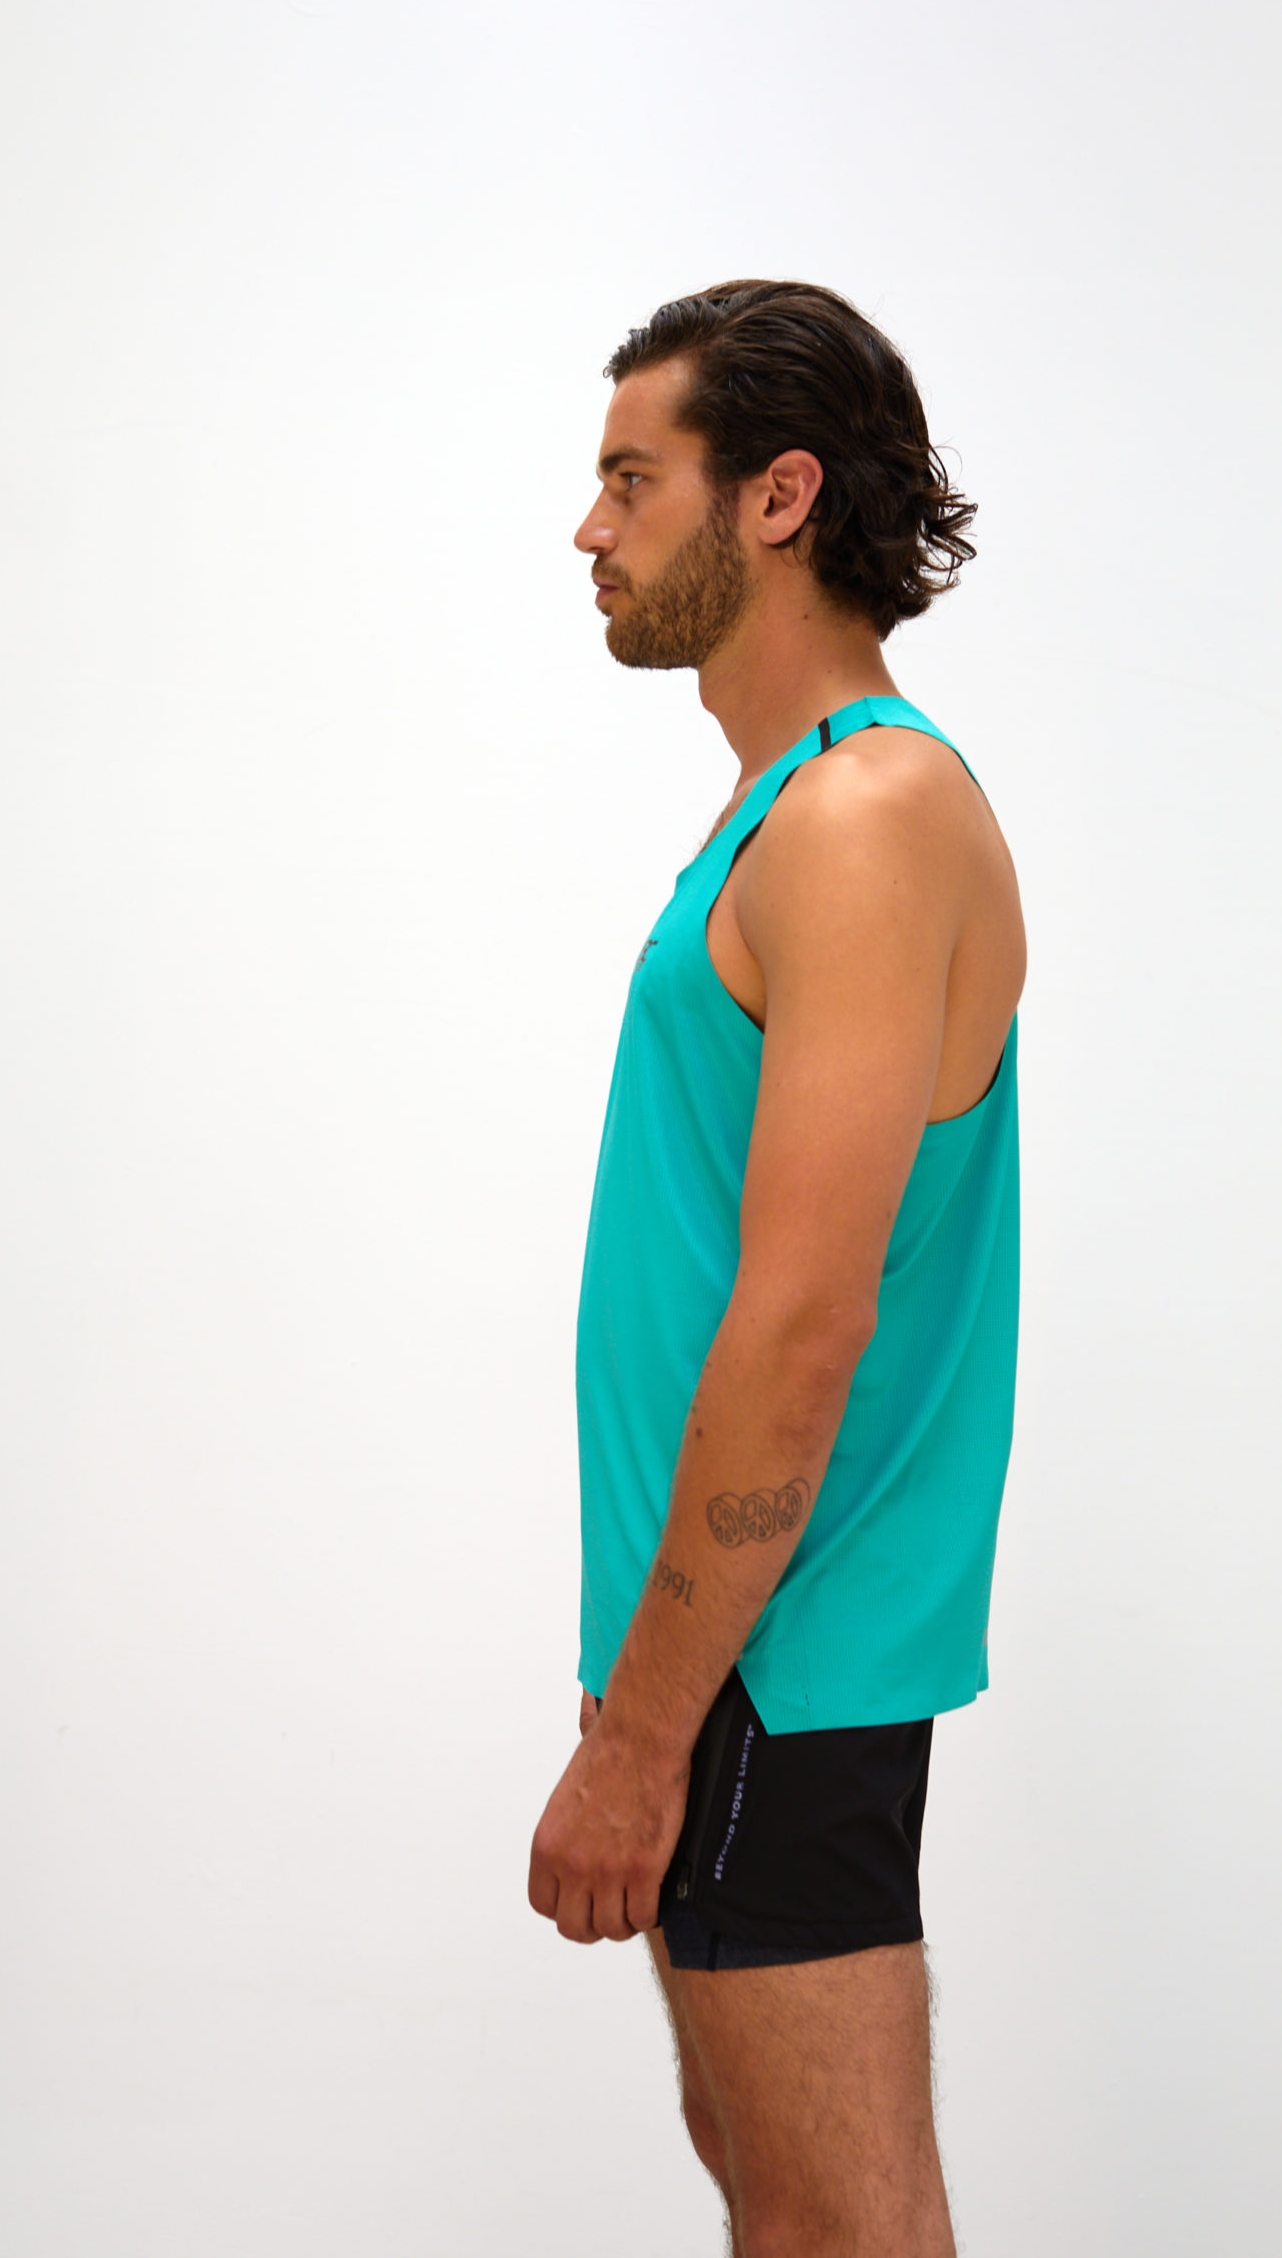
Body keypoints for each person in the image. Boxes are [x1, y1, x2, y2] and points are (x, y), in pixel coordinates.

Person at [528, 279, 1025, 2257]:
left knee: (839, 2228)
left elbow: (809, 1317)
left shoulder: (865, 814)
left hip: (769, 1667)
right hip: (724, 1657)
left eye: (632, 477)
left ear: (778, 494)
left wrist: (646, 1732)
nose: (589, 527)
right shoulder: (786, 811)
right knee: (771, 2194)